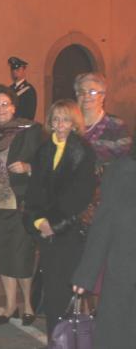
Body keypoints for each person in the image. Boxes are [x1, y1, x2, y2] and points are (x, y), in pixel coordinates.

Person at [23, 99, 96, 337]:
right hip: (46, 231)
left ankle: (68, 338)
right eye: (56, 119)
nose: (60, 124)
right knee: (52, 290)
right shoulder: (43, 150)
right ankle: (56, 339)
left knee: (68, 290)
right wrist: (38, 221)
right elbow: (34, 190)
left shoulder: (83, 151)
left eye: (66, 119)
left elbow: (80, 194)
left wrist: (54, 224)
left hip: (71, 231)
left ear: (74, 123)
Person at [0, 85, 42, 326]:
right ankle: (10, 305)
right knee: (2, 255)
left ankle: (29, 305)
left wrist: (29, 167)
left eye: (5, 104)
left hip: (21, 204)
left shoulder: (30, 130)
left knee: (21, 256)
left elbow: (46, 162)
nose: (0, 109)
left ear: (14, 107)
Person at [71, 150, 136, 349]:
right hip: (126, 271)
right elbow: (104, 223)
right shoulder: (123, 171)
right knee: (120, 334)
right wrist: (86, 273)